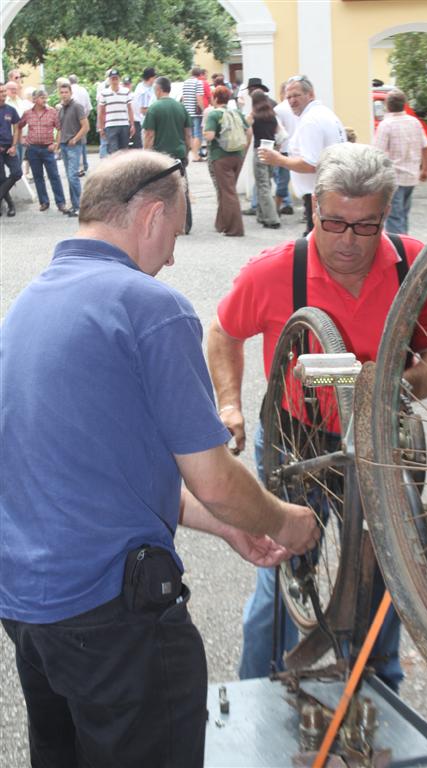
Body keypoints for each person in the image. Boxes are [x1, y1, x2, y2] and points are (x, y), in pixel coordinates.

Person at [0, 149, 320, 768]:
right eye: (175, 232)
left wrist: (225, 526)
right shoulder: (149, 307)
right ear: (149, 216)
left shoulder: (29, 303)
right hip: (113, 619)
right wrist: (283, 521)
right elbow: (215, 477)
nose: (174, 255)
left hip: (33, 612)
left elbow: (98, 472)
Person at [207, 142, 427, 688]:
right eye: (334, 222)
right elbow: (223, 333)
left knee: (387, 576)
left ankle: (376, 692)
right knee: (280, 584)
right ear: (314, 208)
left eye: (365, 227)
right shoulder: (274, 272)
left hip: (378, 445)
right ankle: (256, 693)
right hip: (296, 441)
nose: (347, 242)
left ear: (386, 212)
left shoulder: (413, 265)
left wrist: (392, 387)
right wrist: (229, 402)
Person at [258, 75, 346, 235]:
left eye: (296, 95)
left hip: (319, 194)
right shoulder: (323, 113)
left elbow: (310, 164)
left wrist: (278, 159)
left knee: (317, 244)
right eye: (288, 97)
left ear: (310, 94)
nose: (292, 101)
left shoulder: (310, 121)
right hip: (331, 190)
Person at [373, 88, 427, 234]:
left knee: (394, 219)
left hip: (394, 178)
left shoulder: (386, 125)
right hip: (411, 177)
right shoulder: (415, 123)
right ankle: (406, 246)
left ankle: (400, 250)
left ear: (387, 105)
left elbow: (377, 153)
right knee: (403, 215)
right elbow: (425, 146)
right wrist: (425, 169)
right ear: (404, 104)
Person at [143, 75, 192, 233]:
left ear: (158, 89)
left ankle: (166, 225)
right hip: (179, 153)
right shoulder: (180, 107)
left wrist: (146, 155)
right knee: (182, 189)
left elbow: (149, 135)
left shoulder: (154, 108)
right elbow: (188, 134)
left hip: (160, 156)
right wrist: (187, 151)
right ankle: (186, 224)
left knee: (161, 191)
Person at [204, 85, 250, 237]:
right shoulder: (236, 112)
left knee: (228, 192)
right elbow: (248, 130)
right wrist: (244, 149)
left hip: (221, 156)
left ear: (215, 98)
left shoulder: (213, 114)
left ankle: (235, 229)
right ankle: (222, 223)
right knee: (227, 190)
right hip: (238, 155)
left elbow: (210, 136)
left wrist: (205, 133)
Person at [18, 88, 68, 212]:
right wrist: (21, 139)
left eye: (45, 97)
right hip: (33, 149)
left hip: (48, 148)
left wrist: (56, 144)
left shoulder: (52, 112)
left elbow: (59, 128)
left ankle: (60, 203)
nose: (44, 100)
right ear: (35, 99)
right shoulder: (27, 113)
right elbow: (18, 126)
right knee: (38, 177)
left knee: (54, 176)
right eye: (42, 97)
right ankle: (44, 202)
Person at [249, 89, 280, 229]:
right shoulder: (272, 115)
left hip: (259, 150)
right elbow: (278, 132)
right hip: (271, 150)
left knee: (262, 185)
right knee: (266, 182)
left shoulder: (255, 116)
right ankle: (262, 215)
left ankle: (272, 218)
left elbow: (247, 129)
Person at [58, 82, 90, 216]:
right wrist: (58, 144)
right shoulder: (61, 108)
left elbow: (86, 126)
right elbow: (60, 128)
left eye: (66, 92)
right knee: (69, 176)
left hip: (74, 145)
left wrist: (75, 139)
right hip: (64, 145)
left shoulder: (77, 106)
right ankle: (75, 205)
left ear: (71, 93)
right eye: (62, 92)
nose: (64, 94)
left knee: (73, 176)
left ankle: (82, 206)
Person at [273, 81, 298, 215]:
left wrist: (276, 148)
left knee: (282, 181)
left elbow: (278, 132)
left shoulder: (279, 109)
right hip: (299, 149)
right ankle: (307, 210)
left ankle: (277, 207)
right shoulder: (302, 108)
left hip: (285, 149)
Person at [97, 68, 135, 154]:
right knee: (113, 151)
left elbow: (130, 109)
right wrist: (101, 127)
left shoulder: (126, 92)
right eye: (112, 79)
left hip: (124, 125)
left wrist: (132, 124)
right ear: (109, 80)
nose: (114, 81)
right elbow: (101, 112)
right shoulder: (104, 93)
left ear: (119, 79)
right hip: (110, 125)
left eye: (116, 78)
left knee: (124, 151)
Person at [0, 82, 21, 217]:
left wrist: (14, 145)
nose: (2, 94)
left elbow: (16, 128)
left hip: (9, 148)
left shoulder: (10, 110)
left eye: (3, 91)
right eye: (0, 92)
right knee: (1, 178)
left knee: (17, 172)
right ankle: (11, 206)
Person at [69, 74, 92, 176]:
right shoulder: (83, 90)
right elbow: (89, 107)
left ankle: (78, 166)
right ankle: (84, 165)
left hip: (72, 120)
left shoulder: (70, 91)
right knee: (82, 143)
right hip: (83, 118)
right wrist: (84, 117)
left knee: (75, 142)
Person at [181, 66, 204, 162]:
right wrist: (203, 109)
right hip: (195, 112)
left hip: (187, 112)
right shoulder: (198, 83)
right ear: (200, 74)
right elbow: (198, 97)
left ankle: (189, 154)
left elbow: (183, 97)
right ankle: (195, 155)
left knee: (189, 134)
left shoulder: (185, 82)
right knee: (197, 134)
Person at [133, 67, 157, 149]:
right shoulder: (143, 90)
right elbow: (143, 110)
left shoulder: (151, 88)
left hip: (152, 123)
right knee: (148, 147)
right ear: (150, 78)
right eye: (154, 77)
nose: (155, 79)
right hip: (146, 123)